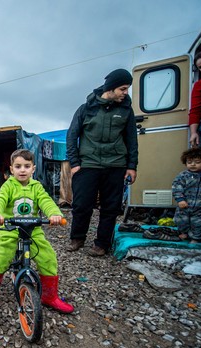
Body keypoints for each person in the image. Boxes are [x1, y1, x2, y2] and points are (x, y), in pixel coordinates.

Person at [0, 149, 74, 313]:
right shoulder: (8, 186)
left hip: (32, 229)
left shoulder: (37, 187)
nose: (22, 170)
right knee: (0, 256)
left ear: (33, 169)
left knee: (47, 256)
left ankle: (49, 296)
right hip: (10, 228)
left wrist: (55, 214)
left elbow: (46, 201)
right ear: (12, 169)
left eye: (27, 166)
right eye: (18, 166)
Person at [66, 68, 138, 256]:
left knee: (111, 207)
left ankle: (102, 244)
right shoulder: (86, 108)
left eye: (127, 89)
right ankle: (77, 238)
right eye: (123, 88)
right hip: (87, 164)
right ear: (111, 88)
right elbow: (71, 136)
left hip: (115, 164)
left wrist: (132, 166)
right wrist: (74, 163)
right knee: (82, 204)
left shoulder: (126, 111)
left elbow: (132, 139)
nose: (125, 93)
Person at [172, 147, 201, 243]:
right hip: (185, 204)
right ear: (185, 163)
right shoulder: (183, 175)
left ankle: (195, 238)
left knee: (197, 222)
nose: (193, 164)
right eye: (189, 162)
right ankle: (184, 232)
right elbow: (176, 187)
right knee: (181, 220)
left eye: (197, 162)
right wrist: (180, 199)